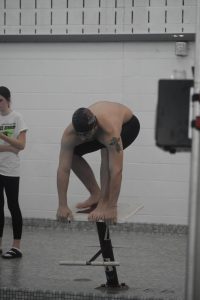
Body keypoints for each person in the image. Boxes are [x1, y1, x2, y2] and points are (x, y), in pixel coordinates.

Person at [57, 101, 140, 223]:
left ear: (95, 126)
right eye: (81, 135)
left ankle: (104, 201)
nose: (83, 139)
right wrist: (62, 205)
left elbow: (116, 170)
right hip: (98, 131)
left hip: (129, 125)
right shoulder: (69, 135)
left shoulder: (110, 131)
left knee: (107, 153)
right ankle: (95, 193)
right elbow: (63, 169)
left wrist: (112, 207)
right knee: (72, 155)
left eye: (86, 135)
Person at [0, 86, 28, 259]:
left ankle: (16, 247)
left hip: (10, 170)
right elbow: (14, 146)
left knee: (13, 206)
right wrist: (9, 147)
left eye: (0, 101)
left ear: (8, 100)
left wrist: (2, 137)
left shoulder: (17, 118)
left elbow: (21, 146)